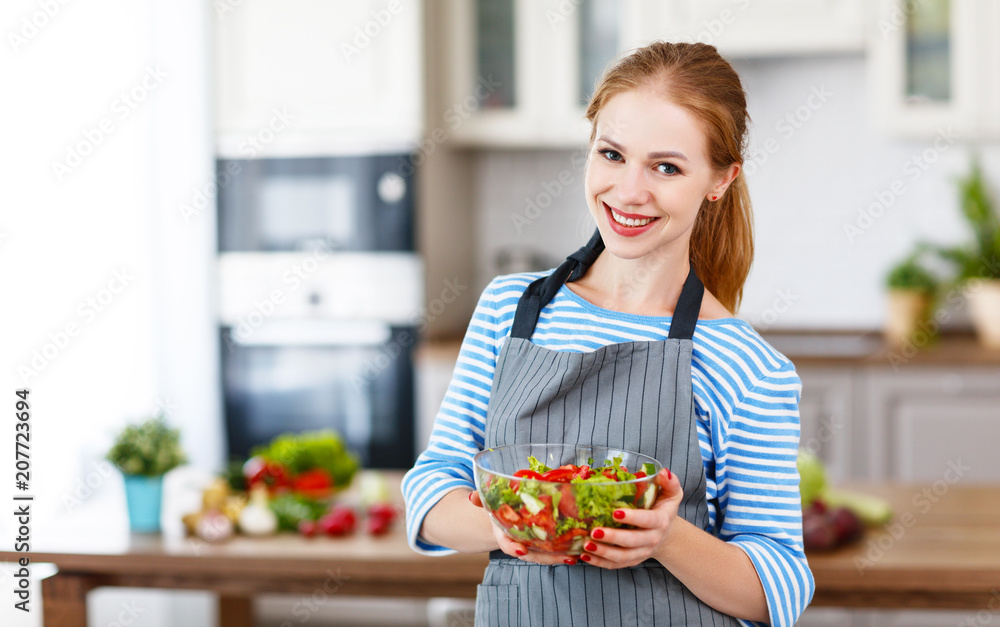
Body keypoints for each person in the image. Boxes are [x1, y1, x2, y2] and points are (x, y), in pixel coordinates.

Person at [403, 41, 814, 626]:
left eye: (666, 167)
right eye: (612, 154)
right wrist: (508, 523)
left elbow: (780, 587)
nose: (629, 191)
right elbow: (430, 489)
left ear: (720, 180)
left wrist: (665, 537)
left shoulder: (744, 364)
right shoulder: (510, 311)